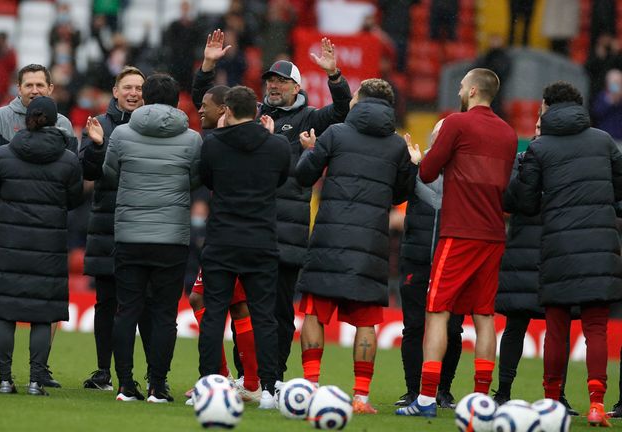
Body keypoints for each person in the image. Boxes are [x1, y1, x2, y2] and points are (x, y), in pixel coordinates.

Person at [193, 29, 351, 381]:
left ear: (297, 88)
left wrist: (334, 75)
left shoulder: (311, 118)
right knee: (241, 308)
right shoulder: (251, 113)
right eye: (270, 80)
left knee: (276, 313)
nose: (274, 86)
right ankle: (245, 376)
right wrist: (207, 67)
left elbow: (343, 110)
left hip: (287, 232)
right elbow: (206, 103)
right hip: (252, 225)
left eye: (281, 81)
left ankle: (274, 377)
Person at [396, 68, 517, 417]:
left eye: (463, 86)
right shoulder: (508, 133)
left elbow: (429, 172)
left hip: (459, 232)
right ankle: (481, 400)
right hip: (494, 234)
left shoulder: (456, 123)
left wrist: (420, 160)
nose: (460, 90)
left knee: (436, 312)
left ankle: (426, 400)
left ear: (475, 90)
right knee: (484, 316)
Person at [295, 79, 415, 414]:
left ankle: (309, 387)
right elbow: (400, 195)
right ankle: (361, 397)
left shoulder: (335, 133)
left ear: (359, 99)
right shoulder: (395, 146)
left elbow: (304, 176)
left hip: (330, 238)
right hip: (370, 243)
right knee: (366, 322)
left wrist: (308, 150)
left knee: (314, 313)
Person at [513, 81, 622, 427]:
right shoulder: (604, 141)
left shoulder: (540, 147)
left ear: (546, 106)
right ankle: (596, 405)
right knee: (596, 328)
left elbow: (526, 202)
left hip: (559, 245)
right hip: (601, 246)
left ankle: (550, 404)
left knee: (557, 328)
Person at [0, 64, 77, 386]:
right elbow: (70, 187)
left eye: (39, 84)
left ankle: (14, 373)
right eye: (28, 84)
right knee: (44, 303)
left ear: (50, 88)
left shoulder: (62, 126)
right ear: (18, 88)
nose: (34, 89)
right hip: (35, 228)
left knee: (1, 298)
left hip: (11, 226)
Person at [99, 73, 202, 403]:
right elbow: (196, 179)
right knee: (164, 315)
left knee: (126, 310)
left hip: (130, 234)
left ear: (144, 97)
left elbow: (110, 175)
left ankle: (125, 385)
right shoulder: (192, 140)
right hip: (172, 237)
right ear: (177, 101)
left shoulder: (123, 135)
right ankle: (158, 385)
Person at [198, 85, 290, 409]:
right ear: (256, 111)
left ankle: (208, 385)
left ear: (227, 111)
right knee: (265, 317)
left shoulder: (212, 146)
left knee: (214, 316)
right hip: (261, 242)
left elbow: (207, 181)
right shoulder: (278, 147)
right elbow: (280, 180)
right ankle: (267, 389)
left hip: (222, 240)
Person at [493, 116, 578, 416]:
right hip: (522, 254)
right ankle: (502, 391)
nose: (540, 133)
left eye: (546, 128)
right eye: (538, 128)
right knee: (515, 325)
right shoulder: (520, 161)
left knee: (558, 330)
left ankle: (558, 395)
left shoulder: (567, 166)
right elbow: (507, 200)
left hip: (555, 252)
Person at [186, 83, 260, 403]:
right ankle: (232, 379)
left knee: (214, 302)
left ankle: (245, 382)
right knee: (208, 301)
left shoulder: (230, 142)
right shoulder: (218, 139)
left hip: (237, 236)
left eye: (206, 104)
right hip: (225, 235)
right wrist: (206, 68)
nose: (200, 109)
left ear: (224, 111)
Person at [80, 66, 145, 391]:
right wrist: (96, 146)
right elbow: (89, 172)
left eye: (139, 88)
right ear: (115, 91)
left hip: (143, 225)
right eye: (128, 87)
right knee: (106, 303)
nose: (134, 93)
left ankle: (145, 374)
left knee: (141, 304)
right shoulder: (97, 125)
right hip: (107, 226)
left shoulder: (152, 128)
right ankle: (103, 370)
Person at [396, 119, 464, 409]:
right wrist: (409, 166)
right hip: (417, 257)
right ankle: (413, 390)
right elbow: (396, 193)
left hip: (453, 259)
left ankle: (443, 390)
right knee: (413, 326)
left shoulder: (463, 171)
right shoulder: (417, 165)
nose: (441, 141)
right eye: (438, 136)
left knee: (453, 328)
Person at [592, 69, 622, 142]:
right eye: (615, 82)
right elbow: (597, 113)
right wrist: (610, 101)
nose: (617, 85)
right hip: (605, 137)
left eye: (619, 82)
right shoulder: (602, 96)